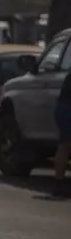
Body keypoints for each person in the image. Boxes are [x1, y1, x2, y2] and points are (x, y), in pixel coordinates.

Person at [53, 70, 71, 198]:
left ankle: (59, 183)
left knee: (65, 146)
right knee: (65, 146)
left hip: (63, 107)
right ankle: (59, 185)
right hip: (67, 108)